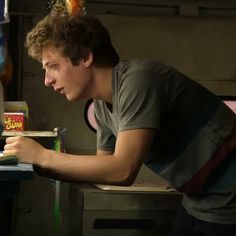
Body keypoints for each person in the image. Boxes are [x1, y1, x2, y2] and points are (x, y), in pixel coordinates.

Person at [3, 12, 236, 236]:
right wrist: (38, 164)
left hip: (229, 201)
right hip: (199, 202)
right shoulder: (104, 105)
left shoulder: (139, 80)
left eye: (53, 66)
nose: (46, 80)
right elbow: (102, 168)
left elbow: (122, 171)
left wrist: (43, 156)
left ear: (85, 56)